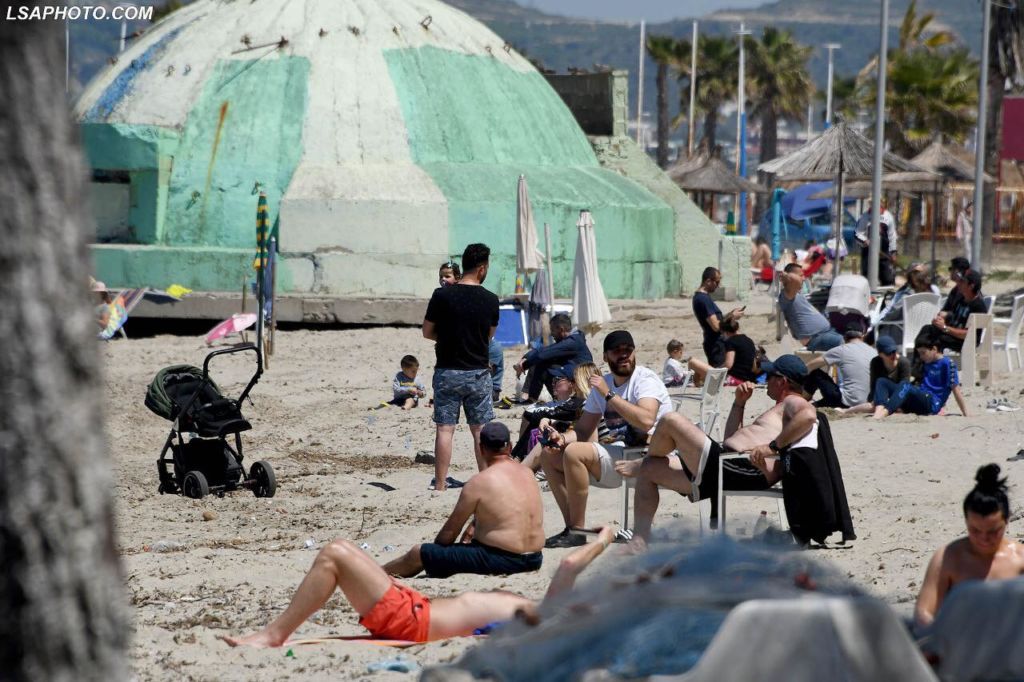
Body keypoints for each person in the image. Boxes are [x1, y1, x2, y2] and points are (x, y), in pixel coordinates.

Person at [221, 525, 618, 648]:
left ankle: (274, 635)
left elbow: (567, 564)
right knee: (343, 553)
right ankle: (275, 632)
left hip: (412, 619)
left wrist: (603, 539)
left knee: (335, 553)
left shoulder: (548, 616)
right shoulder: (537, 612)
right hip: (414, 607)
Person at [616, 355, 818, 549]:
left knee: (671, 420)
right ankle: (640, 539)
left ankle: (644, 460)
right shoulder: (780, 408)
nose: (764, 380)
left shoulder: (793, 401)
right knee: (649, 469)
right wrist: (739, 403)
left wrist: (771, 447)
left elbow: (808, 415)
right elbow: (731, 437)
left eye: (769, 376)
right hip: (727, 463)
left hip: (744, 468)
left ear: (782, 381)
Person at [541, 330, 672, 548]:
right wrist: (561, 438)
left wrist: (609, 395)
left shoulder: (645, 379)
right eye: (617, 352)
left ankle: (576, 530)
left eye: (628, 351)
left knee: (576, 453)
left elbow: (647, 420)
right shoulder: (605, 383)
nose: (624, 356)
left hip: (650, 458)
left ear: (634, 353)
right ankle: (574, 528)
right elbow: (583, 430)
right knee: (549, 455)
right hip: (622, 456)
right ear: (605, 357)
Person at [382, 422, 544, 579]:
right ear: (509, 447)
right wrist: (474, 527)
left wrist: (438, 554)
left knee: (418, 553)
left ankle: (374, 574)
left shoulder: (479, 482)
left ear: (481, 449)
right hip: (535, 558)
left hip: (505, 560)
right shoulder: (527, 473)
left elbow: (450, 533)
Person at [423, 244, 500, 490]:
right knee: (479, 431)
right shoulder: (490, 299)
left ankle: (441, 484)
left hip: (447, 371)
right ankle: (486, 483)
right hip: (477, 372)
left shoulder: (442, 295)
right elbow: (488, 336)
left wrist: (448, 339)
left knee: (445, 430)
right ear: (482, 268)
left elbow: (427, 332)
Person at [915, 464, 1024, 626]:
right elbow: (923, 613)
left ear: (1006, 521)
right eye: (975, 530)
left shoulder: (1020, 559)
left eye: (993, 531)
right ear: (966, 521)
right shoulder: (948, 559)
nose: (984, 538)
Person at [872, 335, 968, 419]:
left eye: (923, 353)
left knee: (905, 384)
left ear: (934, 349)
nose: (921, 356)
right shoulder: (926, 363)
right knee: (882, 381)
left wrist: (966, 413)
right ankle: (878, 410)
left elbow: (956, 390)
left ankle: (884, 413)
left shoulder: (947, 363)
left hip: (932, 403)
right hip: (919, 400)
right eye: (919, 353)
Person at [513, 313, 593, 403]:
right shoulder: (571, 339)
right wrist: (526, 358)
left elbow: (543, 354)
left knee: (542, 362)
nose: (551, 334)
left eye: (553, 330)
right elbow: (545, 350)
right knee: (543, 361)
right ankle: (532, 398)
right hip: (573, 372)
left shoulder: (572, 342)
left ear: (561, 329)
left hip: (582, 378)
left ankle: (552, 399)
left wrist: (524, 365)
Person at [510, 370, 586, 462]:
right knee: (539, 423)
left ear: (572, 383)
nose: (553, 384)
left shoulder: (577, 402)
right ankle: (516, 456)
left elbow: (538, 415)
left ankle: (517, 457)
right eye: (552, 381)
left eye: (557, 380)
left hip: (568, 444)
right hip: (563, 440)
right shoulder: (568, 402)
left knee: (540, 425)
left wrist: (547, 419)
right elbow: (529, 413)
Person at [803, 326, 876, 408]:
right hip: (869, 402)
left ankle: (802, 400)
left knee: (815, 373)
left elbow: (810, 365)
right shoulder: (874, 351)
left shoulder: (841, 350)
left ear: (844, 337)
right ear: (862, 336)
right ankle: (815, 404)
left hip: (846, 403)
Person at [778, 263, 843, 351]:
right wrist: (786, 275)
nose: (804, 278)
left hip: (826, 333)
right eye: (801, 275)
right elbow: (795, 280)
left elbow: (795, 280)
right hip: (816, 339)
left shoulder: (795, 294)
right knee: (849, 344)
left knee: (856, 337)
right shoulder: (788, 295)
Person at [840, 335, 912, 414]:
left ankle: (847, 411)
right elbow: (874, 386)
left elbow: (904, 388)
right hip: (882, 396)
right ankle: (847, 411)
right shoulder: (875, 362)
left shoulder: (904, 363)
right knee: (874, 405)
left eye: (894, 351)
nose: (893, 355)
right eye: (888, 353)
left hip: (899, 396)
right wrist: (874, 400)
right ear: (880, 354)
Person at [920, 269, 987, 353]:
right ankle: (918, 363)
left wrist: (945, 328)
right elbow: (954, 316)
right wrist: (943, 318)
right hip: (952, 336)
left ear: (971, 286)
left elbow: (970, 334)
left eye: (962, 281)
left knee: (936, 340)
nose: (958, 283)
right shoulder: (961, 298)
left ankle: (934, 364)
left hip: (964, 342)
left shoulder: (978, 306)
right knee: (927, 330)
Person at [692, 267, 745, 366]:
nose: (718, 285)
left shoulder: (701, 297)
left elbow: (717, 320)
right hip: (715, 345)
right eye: (717, 282)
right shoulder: (703, 299)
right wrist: (732, 316)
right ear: (708, 281)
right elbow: (716, 326)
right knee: (721, 375)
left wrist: (730, 314)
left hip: (715, 343)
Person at [687, 317, 759, 386]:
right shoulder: (749, 341)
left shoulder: (731, 341)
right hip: (746, 380)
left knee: (692, 362)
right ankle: (698, 384)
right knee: (703, 372)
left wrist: (716, 369)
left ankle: (695, 383)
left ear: (725, 332)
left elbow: (728, 365)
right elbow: (754, 366)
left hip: (733, 380)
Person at [856, 198, 898, 286]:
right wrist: (865, 240)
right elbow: (857, 233)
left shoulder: (888, 216)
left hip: (884, 252)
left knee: (887, 278)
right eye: (872, 203)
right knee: (866, 278)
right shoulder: (865, 217)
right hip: (868, 252)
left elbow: (892, 235)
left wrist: (893, 252)